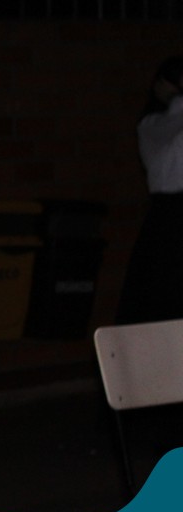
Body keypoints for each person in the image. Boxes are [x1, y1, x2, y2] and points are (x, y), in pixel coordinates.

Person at [116, 55, 183, 325]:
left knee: (158, 297)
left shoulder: (151, 124)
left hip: (162, 218)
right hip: (168, 215)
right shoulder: (153, 125)